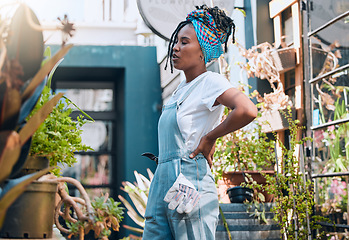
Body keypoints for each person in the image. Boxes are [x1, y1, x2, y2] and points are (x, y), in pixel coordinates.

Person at [142, 5, 258, 240]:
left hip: (188, 179)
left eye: (184, 42)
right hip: (162, 180)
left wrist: (210, 137)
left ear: (202, 51)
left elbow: (247, 109)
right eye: (176, 41)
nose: (175, 47)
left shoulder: (210, 81)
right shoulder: (179, 90)